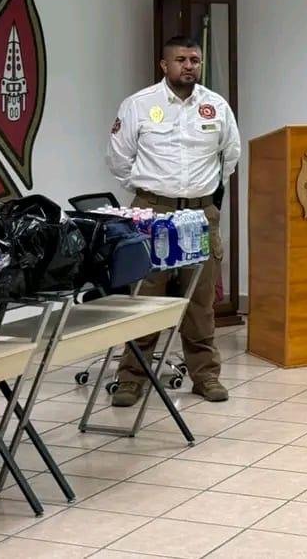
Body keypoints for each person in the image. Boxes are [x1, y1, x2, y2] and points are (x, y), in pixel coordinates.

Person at [106, 35, 240, 406]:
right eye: (181, 59)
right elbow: (119, 160)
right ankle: (132, 378)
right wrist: (153, 193)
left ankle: (206, 376)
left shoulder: (215, 106)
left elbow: (229, 157)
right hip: (153, 212)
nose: (189, 66)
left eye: (195, 60)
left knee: (199, 299)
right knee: (145, 297)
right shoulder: (139, 105)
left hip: (199, 213)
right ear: (164, 65)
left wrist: (201, 194)